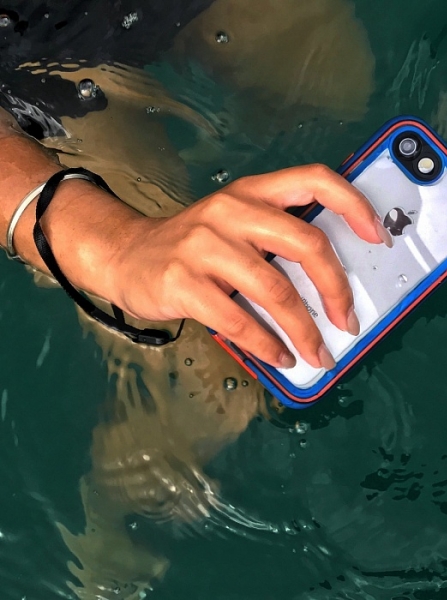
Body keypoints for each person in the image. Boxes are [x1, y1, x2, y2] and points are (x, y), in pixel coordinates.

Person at [0, 1, 390, 597]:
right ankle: (111, 527)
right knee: (212, 356)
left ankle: (188, 169)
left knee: (341, 97)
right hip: (21, 60)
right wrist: (118, 247)